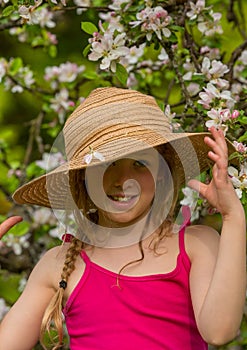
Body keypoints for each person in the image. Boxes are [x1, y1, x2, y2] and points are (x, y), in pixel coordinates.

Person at [0, 87, 246, 350]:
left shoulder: (195, 244)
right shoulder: (59, 263)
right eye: (107, 165)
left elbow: (219, 331)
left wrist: (233, 217)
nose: (123, 180)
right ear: (83, 177)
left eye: (139, 164)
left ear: (162, 172)